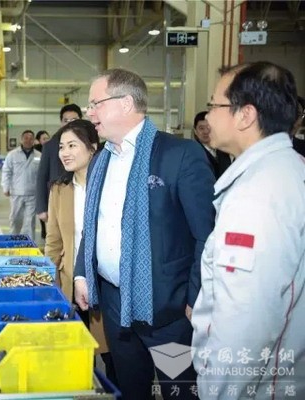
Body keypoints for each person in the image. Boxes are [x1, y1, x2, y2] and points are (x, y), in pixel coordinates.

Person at [74, 69, 215, 400]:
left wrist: (195, 298)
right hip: (115, 306)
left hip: (169, 313)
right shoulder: (101, 160)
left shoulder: (178, 155)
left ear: (125, 103)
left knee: (179, 390)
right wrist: (82, 273)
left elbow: (207, 235)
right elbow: (93, 225)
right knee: (130, 388)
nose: (89, 113)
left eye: (95, 104)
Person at [191, 62, 305, 399]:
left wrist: (218, 393)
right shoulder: (289, 169)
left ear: (245, 115)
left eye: (214, 105)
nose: (208, 116)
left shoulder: (257, 195)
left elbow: (245, 321)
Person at [44, 119, 116, 384]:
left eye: (72, 145)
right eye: (61, 147)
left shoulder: (112, 186)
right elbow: (53, 241)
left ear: (93, 147)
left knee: (113, 359)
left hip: (106, 286)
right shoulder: (59, 190)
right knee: (77, 360)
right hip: (69, 285)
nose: (64, 152)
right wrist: (49, 283)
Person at [35, 104, 82, 225]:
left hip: (83, 198)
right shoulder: (50, 145)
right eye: (66, 120)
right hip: (58, 200)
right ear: (61, 123)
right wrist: (41, 207)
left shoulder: (89, 143)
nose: (70, 124)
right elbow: (42, 176)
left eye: (74, 120)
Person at [1, 129, 41, 240]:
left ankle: (29, 244)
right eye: (26, 138)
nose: (28, 140)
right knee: (15, 219)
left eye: (31, 138)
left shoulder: (39, 155)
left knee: (30, 221)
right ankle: (13, 242)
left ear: (34, 140)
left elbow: (42, 175)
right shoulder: (12, 155)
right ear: (21, 139)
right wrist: (5, 187)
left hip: (32, 194)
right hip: (16, 193)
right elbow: (6, 171)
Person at [193, 111, 232, 179]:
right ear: (195, 131)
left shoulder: (223, 150)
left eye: (208, 127)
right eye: (201, 128)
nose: (206, 131)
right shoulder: (193, 153)